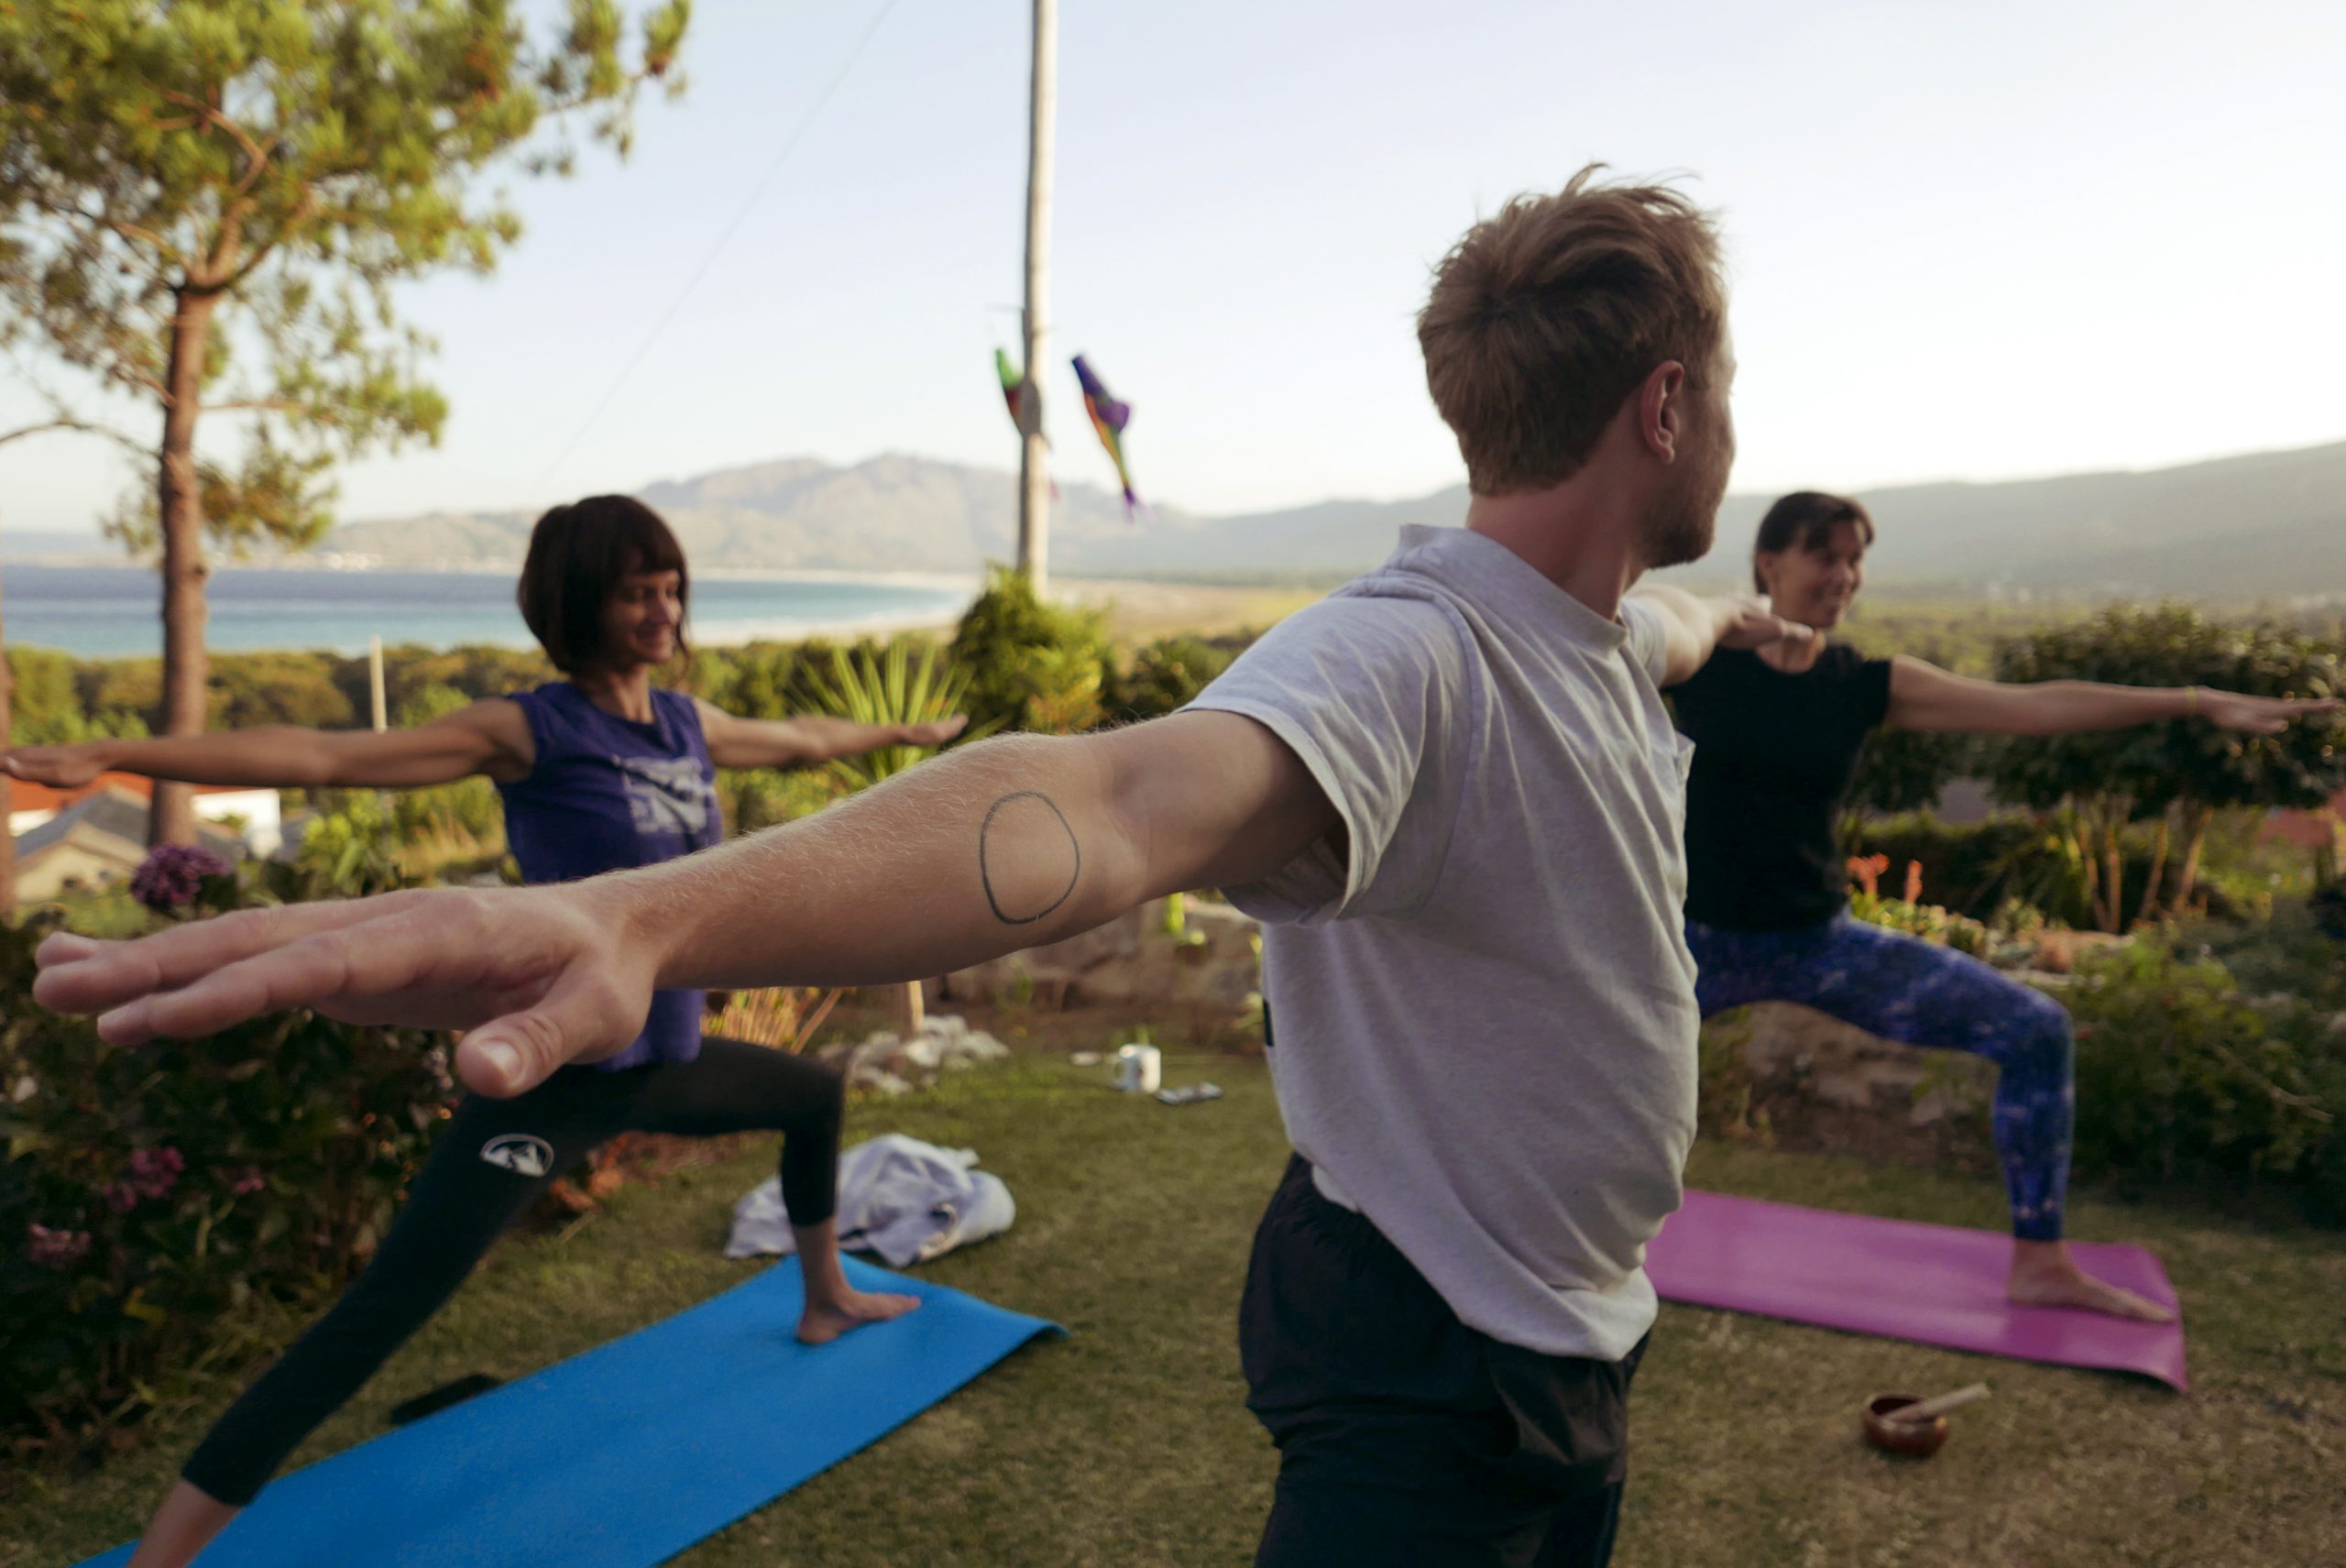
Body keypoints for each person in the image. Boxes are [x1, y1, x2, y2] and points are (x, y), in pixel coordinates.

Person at [36, 167, 1796, 1568]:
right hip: (1435, 1357)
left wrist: (1743, 621)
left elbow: (1673, 626)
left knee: (804, 1097)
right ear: (1663, 406)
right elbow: (1107, 802)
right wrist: (639, 914)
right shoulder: (1405, 661)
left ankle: (819, 1284)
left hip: (1574, 1337)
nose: (1728, 431)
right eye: (1722, 394)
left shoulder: (1608, 634)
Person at [5, 494, 965, 1568]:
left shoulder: (689, 727)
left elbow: (802, 741)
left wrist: (909, 736)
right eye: (633, 590)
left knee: (812, 1095)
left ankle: (824, 1297)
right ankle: (160, 1559)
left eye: (669, 586)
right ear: (577, 604)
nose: (661, 608)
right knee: (375, 1321)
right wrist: (113, 750)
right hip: (553, 1078)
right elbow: (329, 758)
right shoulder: (532, 730)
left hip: (663, 1061)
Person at [1669, 489, 2338, 1321]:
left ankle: (2040, 1262)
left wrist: (2197, 701)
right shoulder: (1701, 657)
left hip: (1818, 940)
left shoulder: (1861, 684)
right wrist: (1724, 614)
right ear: (1769, 562)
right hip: (1693, 946)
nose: (1843, 575)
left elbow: (2037, 708)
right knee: (1571, 1065)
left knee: (2035, 1029)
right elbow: (1627, 623)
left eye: (1855, 560)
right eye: (1823, 555)